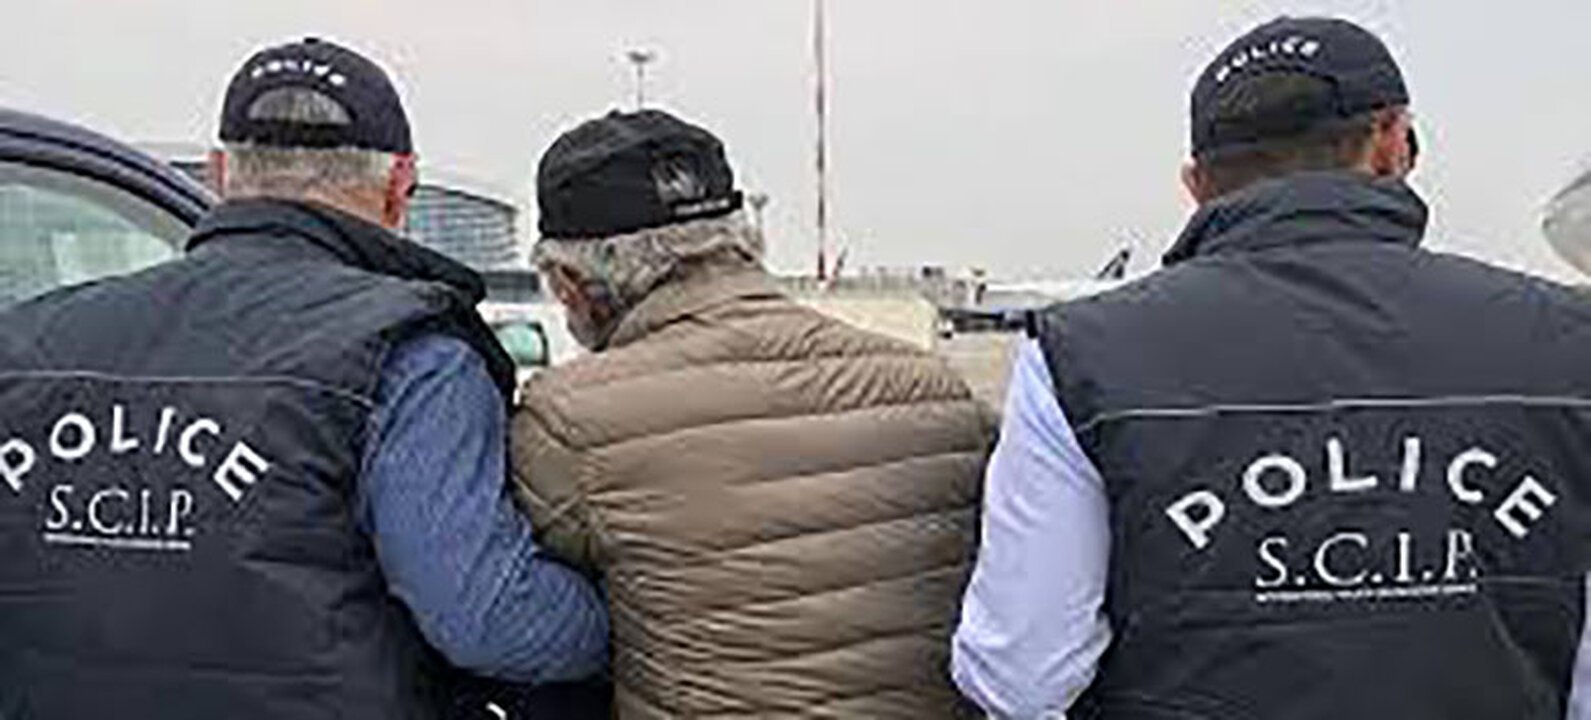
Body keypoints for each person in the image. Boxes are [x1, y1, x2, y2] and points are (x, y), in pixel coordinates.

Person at [953, 16, 1591, 719]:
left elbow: (1019, 674)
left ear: (1196, 185)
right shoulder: (1567, 343)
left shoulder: (1081, 356)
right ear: (1392, 142)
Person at [0, 38, 606, 719]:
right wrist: (632, 622)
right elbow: (487, 615)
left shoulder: (28, 341)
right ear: (399, 183)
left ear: (220, 171)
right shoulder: (409, 351)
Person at [511, 109, 993, 718]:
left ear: (570, 284)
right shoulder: (937, 391)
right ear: (742, 240)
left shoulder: (568, 420)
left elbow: (516, 615)